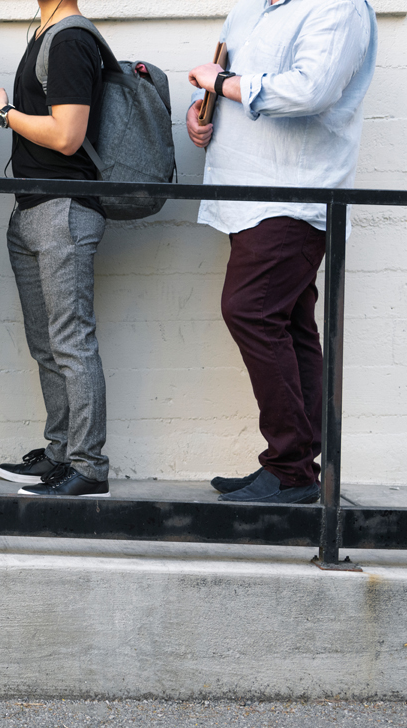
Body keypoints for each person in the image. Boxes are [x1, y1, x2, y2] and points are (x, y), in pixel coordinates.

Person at [186, 0, 376, 503]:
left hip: (292, 194)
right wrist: (201, 114)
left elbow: (311, 91)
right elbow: (228, 84)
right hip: (246, 194)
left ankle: (290, 470)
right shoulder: (249, 11)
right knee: (289, 324)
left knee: (249, 309)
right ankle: (293, 467)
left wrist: (222, 83)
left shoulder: (338, 7)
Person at [0, 0, 110, 497]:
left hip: (64, 209)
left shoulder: (71, 39)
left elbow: (67, 135)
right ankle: (60, 453)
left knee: (72, 341)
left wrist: (5, 113)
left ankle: (88, 467)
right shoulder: (44, 32)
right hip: (32, 208)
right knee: (47, 344)